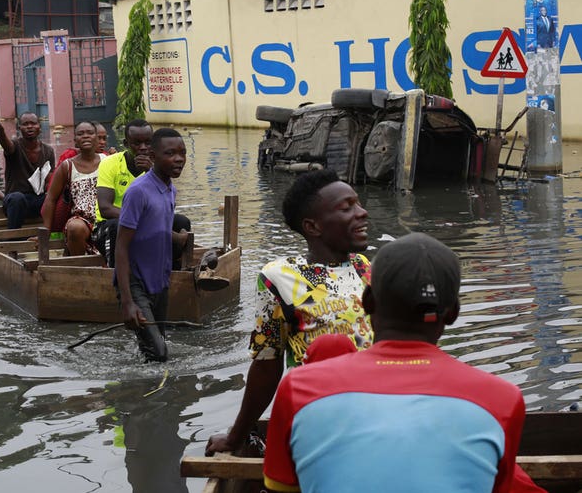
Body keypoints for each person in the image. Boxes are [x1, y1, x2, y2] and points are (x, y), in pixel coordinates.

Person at [262, 232, 527, 493]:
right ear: (453, 313)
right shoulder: (502, 400)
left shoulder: (298, 389)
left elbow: (281, 487)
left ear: (366, 302)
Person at [206, 168, 371, 456]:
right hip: (318, 415)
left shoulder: (364, 268)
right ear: (313, 227)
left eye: (357, 203)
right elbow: (267, 363)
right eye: (347, 208)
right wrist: (235, 438)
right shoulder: (280, 277)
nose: (362, 212)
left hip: (373, 410)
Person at [115, 127, 189, 363]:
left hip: (160, 281)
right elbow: (121, 247)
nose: (178, 159)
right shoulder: (137, 192)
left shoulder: (170, 190)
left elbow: (159, 232)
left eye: (182, 153)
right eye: (170, 153)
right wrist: (127, 302)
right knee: (159, 354)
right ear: (153, 157)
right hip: (136, 283)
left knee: (155, 350)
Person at [94, 119, 191, 267]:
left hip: (147, 224)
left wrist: (151, 172)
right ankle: (116, 275)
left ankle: (171, 269)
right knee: (117, 226)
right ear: (126, 144)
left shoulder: (158, 166)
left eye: (148, 142)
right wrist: (141, 220)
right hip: (110, 226)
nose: (143, 148)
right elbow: (105, 208)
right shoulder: (110, 163)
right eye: (137, 143)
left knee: (181, 222)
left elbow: (167, 206)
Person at [41, 121, 104, 256]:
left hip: (105, 217)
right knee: (75, 228)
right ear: (75, 141)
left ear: (97, 138)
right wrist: (46, 231)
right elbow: (51, 198)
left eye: (90, 133)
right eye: (81, 134)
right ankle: (79, 267)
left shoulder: (108, 161)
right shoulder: (67, 166)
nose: (86, 136)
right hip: (81, 219)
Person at [0, 112, 56, 229]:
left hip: (37, 201)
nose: (29, 126)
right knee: (17, 198)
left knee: (58, 197)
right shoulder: (15, 145)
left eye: (33, 123)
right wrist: (0, 131)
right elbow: (7, 147)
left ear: (39, 127)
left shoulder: (48, 151)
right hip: (14, 203)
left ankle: (55, 232)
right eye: (25, 124)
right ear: (20, 128)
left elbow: (50, 180)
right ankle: (14, 238)